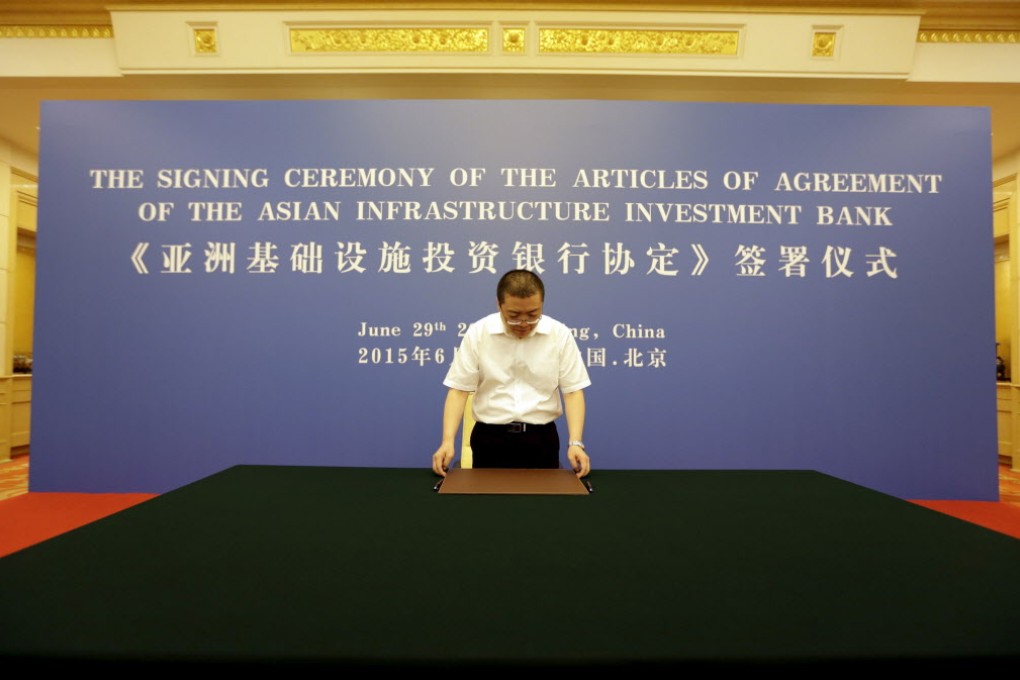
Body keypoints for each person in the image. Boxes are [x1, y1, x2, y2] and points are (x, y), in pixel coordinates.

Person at [432, 269, 591, 478]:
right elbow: (459, 391)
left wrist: (576, 442)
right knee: (488, 505)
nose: (524, 323)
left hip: (541, 438)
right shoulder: (479, 333)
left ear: (542, 304)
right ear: (499, 305)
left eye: (533, 315)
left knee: (544, 507)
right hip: (490, 438)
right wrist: (447, 441)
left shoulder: (559, 334)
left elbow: (572, 392)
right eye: (514, 316)